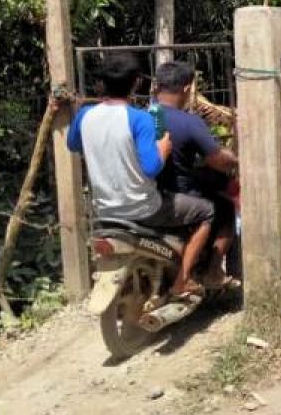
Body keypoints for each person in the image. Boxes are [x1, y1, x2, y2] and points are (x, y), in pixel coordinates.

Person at [65, 51, 214, 300]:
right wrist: (163, 150)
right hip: (145, 209)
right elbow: (151, 168)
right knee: (206, 211)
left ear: (102, 83)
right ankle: (182, 281)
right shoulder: (141, 119)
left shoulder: (84, 115)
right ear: (136, 82)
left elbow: (73, 145)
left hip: (105, 212)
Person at [151, 61, 239, 289]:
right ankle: (212, 272)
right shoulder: (189, 122)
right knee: (225, 207)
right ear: (187, 88)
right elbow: (216, 160)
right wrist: (236, 160)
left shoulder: (143, 117)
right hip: (178, 194)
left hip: (146, 193)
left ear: (157, 86)